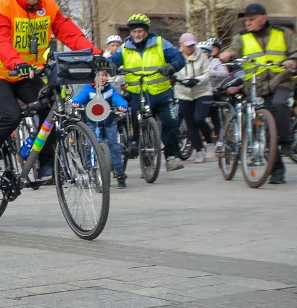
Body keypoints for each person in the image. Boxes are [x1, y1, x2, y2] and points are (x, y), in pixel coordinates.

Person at [0, 0, 96, 190]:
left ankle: (46, 165)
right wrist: (15, 61)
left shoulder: (47, 7)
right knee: (11, 115)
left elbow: (72, 35)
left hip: (23, 73)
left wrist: (96, 56)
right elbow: (0, 41)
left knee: (50, 107)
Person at [219, 3, 297, 184]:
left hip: (281, 80)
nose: (247, 23)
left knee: (280, 104)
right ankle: (277, 171)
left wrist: (293, 61)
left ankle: (286, 141)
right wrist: (227, 54)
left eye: (251, 19)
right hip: (256, 87)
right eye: (246, 20)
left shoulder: (282, 33)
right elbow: (233, 49)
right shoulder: (242, 37)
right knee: (263, 128)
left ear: (263, 18)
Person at [105, 14, 186, 174]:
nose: (137, 34)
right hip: (138, 92)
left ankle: (171, 157)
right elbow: (113, 60)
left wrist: (171, 68)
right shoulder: (125, 47)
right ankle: (139, 149)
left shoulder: (160, 43)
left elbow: (179, 58)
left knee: (170, 122)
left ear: (146, 31)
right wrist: (112, 66)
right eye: (134, 31)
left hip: (161, 92)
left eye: (140, 31)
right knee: (136, 120)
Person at [72, 69, 129, 187]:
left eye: (103, 75)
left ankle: (119, 172)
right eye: (98, 76)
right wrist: (76, 102)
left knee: (114, 146)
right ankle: (90, 170)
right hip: (92, 123)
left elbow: (118, 99)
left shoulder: (110, 89)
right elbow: (81, 97)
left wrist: (122, 106)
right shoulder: (88, 89)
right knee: (90, 145)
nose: (101, 78)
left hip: (108, 122)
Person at [173, 32, 213, 163]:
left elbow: (208, 74)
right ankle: (199, 150)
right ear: (181, 45)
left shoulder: (202, 56)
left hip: (202, 91)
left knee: (199, 118)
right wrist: (176, 79)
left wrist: (196, 80)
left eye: (192, 45)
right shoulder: (176, 57)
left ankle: (209, 140)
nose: (190, 48)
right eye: (187, 45)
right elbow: (173, 72)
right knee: (190, 123)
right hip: (183, 92)